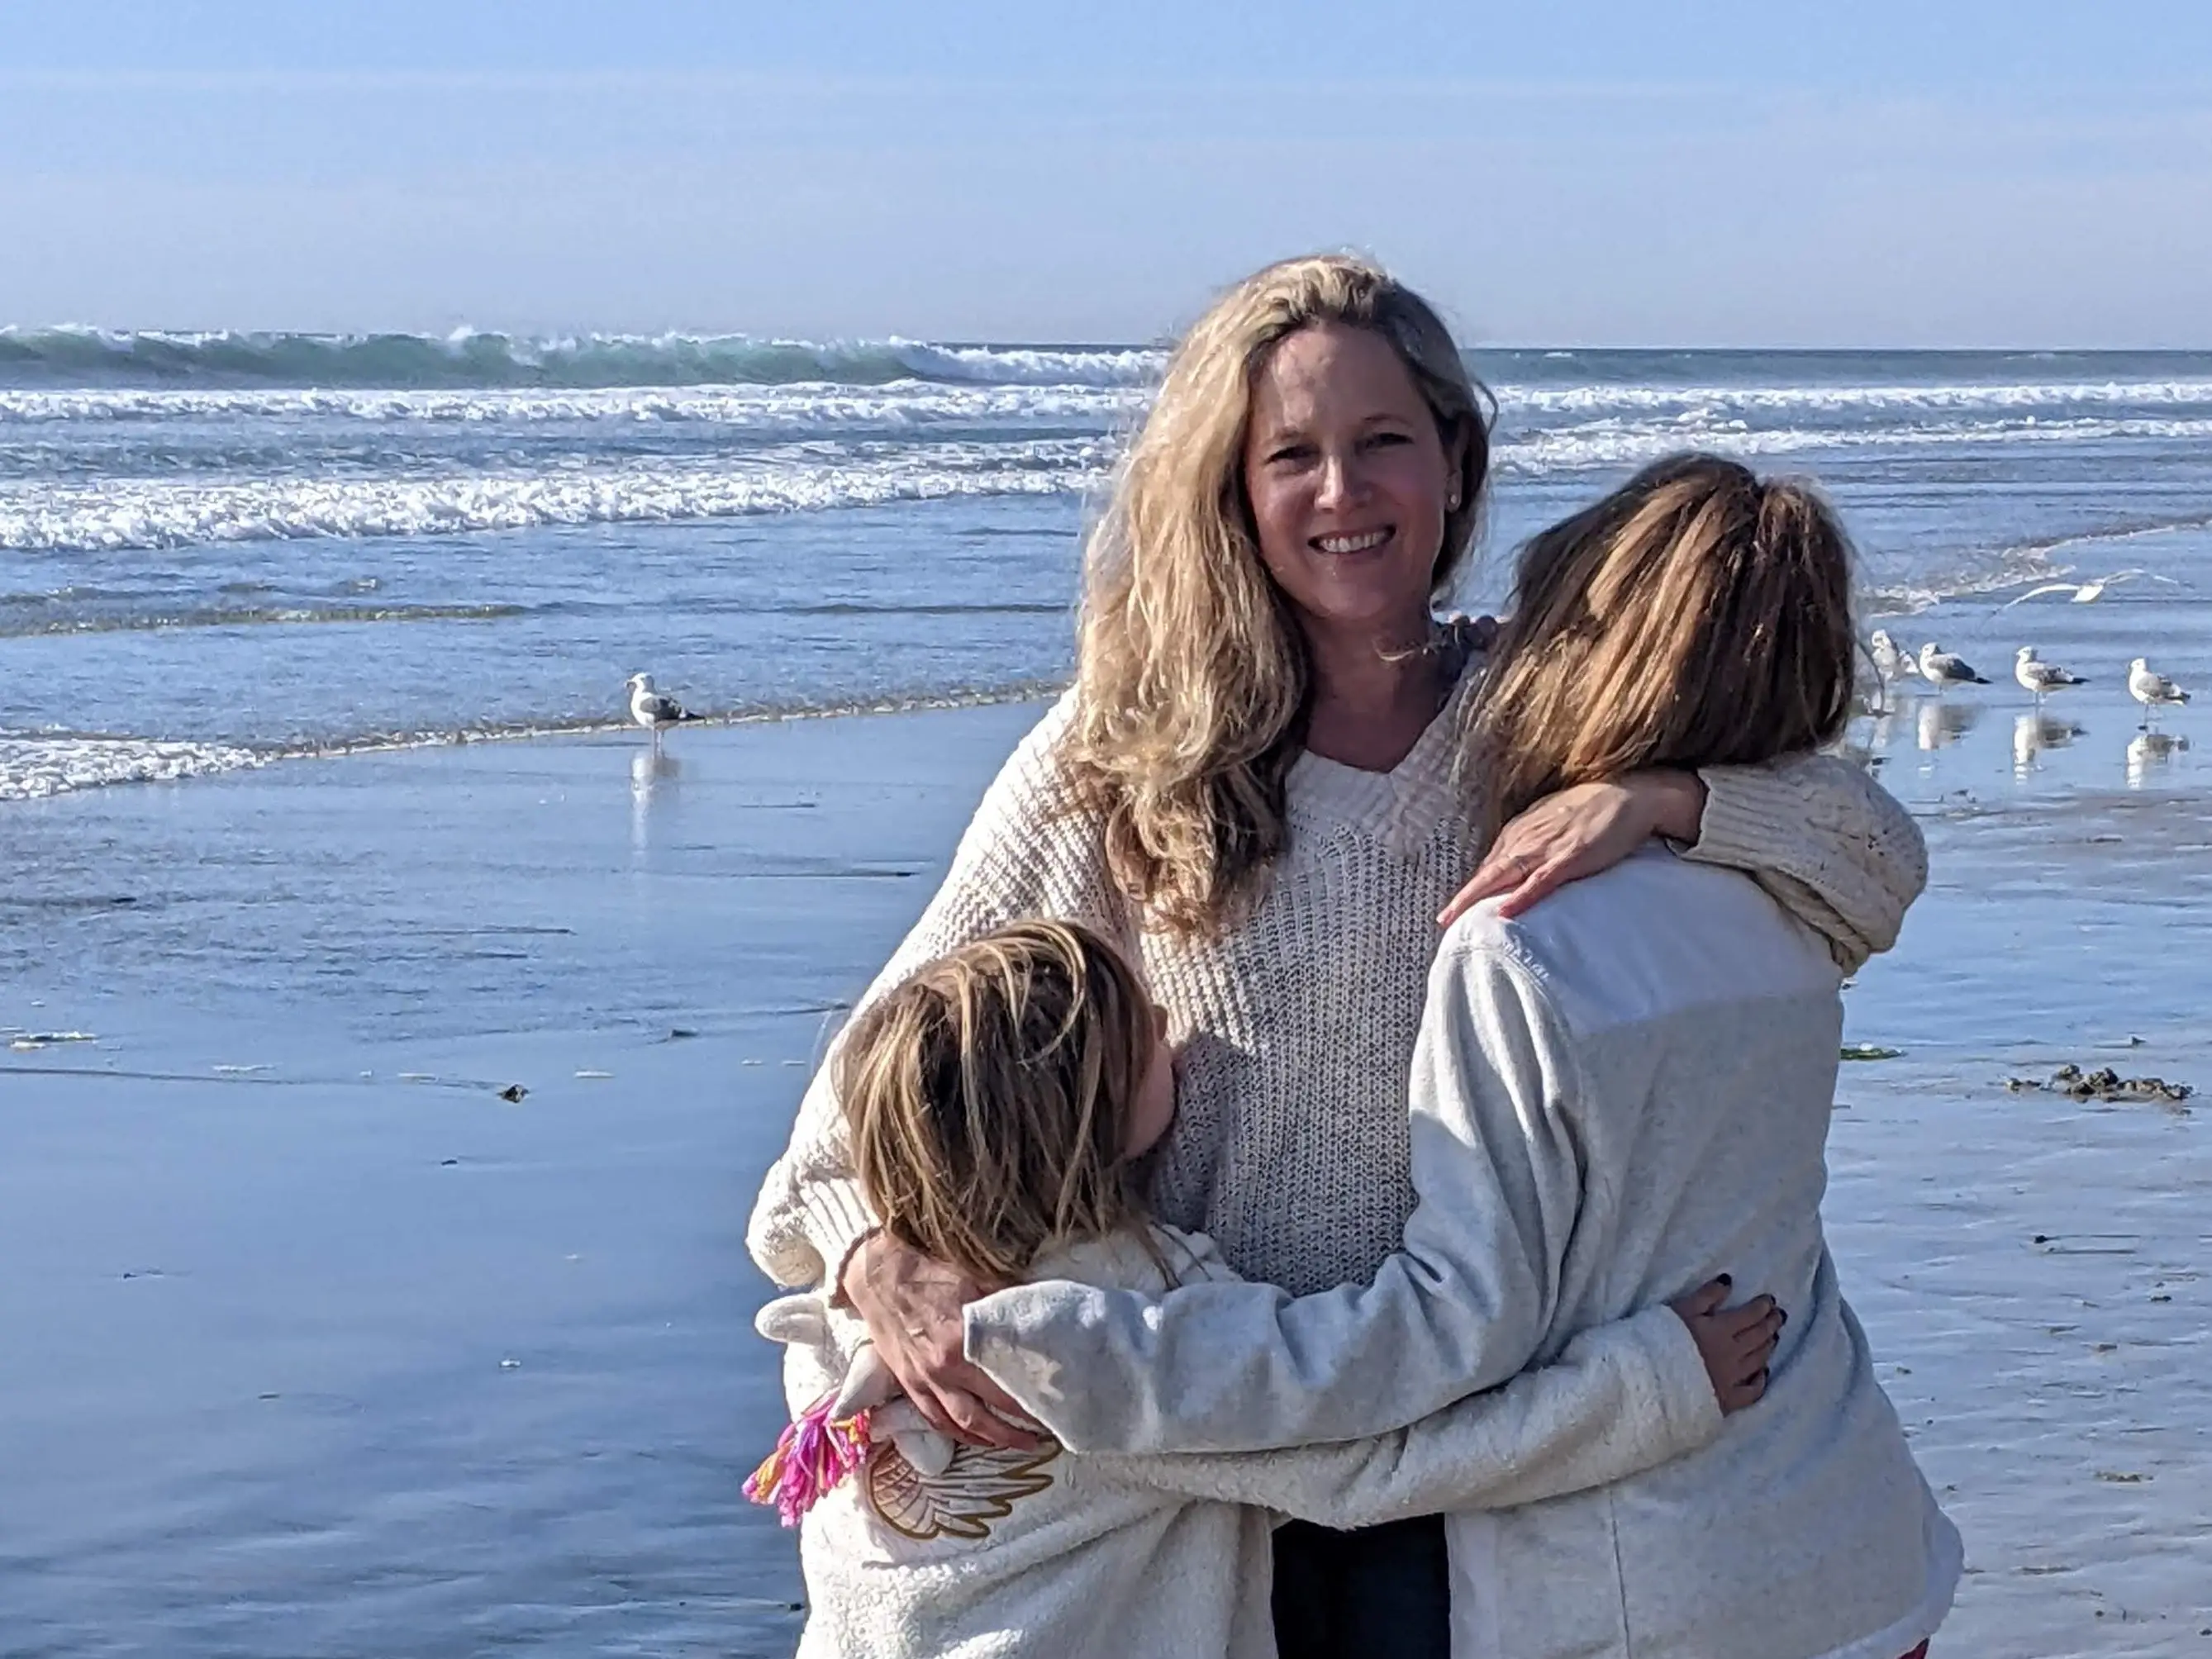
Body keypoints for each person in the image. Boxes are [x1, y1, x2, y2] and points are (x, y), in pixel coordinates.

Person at [748, 256, 1929, 1657]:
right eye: (1289, 454)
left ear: (1452, 457)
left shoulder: (1540, 727)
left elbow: (1867, 858)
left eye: (1383, 443)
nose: (1341, 492)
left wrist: (1671, 798)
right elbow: (878, 1081)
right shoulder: (1127, 755)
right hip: (1196, 1451)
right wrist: (874, 1255)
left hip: (1469, 1450)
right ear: (1230, 492)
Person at [963, 456, 1960, 1659]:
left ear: (1597, 655)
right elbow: (1874, 849)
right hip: (1849, 1541)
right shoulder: (1792, 904)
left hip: (1631, 1580)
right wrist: (1671, 802)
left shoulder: (1523, 946)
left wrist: (1100, 1376)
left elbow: (1461, 1325)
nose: (1506, 646)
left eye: (1544, 618)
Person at [752, 919, 1782, 1659]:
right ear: (1092, 1116)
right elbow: (1375, 1463)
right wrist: (1648, 1387)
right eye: (1142, 1031)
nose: (1171, 1019)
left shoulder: (838, 1317)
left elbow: (784, 1225)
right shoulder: (1123, 1331)